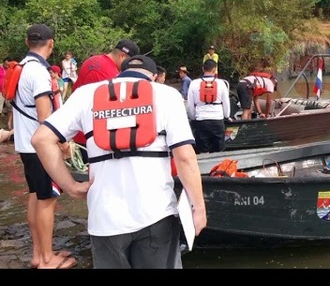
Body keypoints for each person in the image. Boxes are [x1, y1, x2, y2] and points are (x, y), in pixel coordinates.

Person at [31, 54, 207, 269]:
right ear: (153, 76)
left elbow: (41, 139)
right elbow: (185, 157)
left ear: (119, 74)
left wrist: (71, 186)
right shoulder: (166, 95)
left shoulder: (86, 94)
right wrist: (198, 207)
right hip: (156, 213)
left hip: (104, 219)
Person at [14, 23, 77, 269]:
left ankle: (38, 254)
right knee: (46, 201)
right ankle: (47, 259)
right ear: (51, 44)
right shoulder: (39, 72)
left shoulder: (21, 67)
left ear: (27, 42)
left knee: (35, 196)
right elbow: (44, 116)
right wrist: (62, 143)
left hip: (24, 144)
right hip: (40, 148)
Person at [71, 39, 140, 164]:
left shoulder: (92, 61)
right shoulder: (109, 73)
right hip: (92, 135)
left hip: (82, 130)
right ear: (122, 56)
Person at [186, 59, 230, 153]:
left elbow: (190, 105)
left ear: (203, 68)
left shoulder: (194, 83)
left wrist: (193, 117)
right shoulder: (221, 83)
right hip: (217, 120)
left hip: (201, 120)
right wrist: (226, 116)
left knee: (203, 150)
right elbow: (226, 103)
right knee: (219, 150)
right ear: (215, 70)